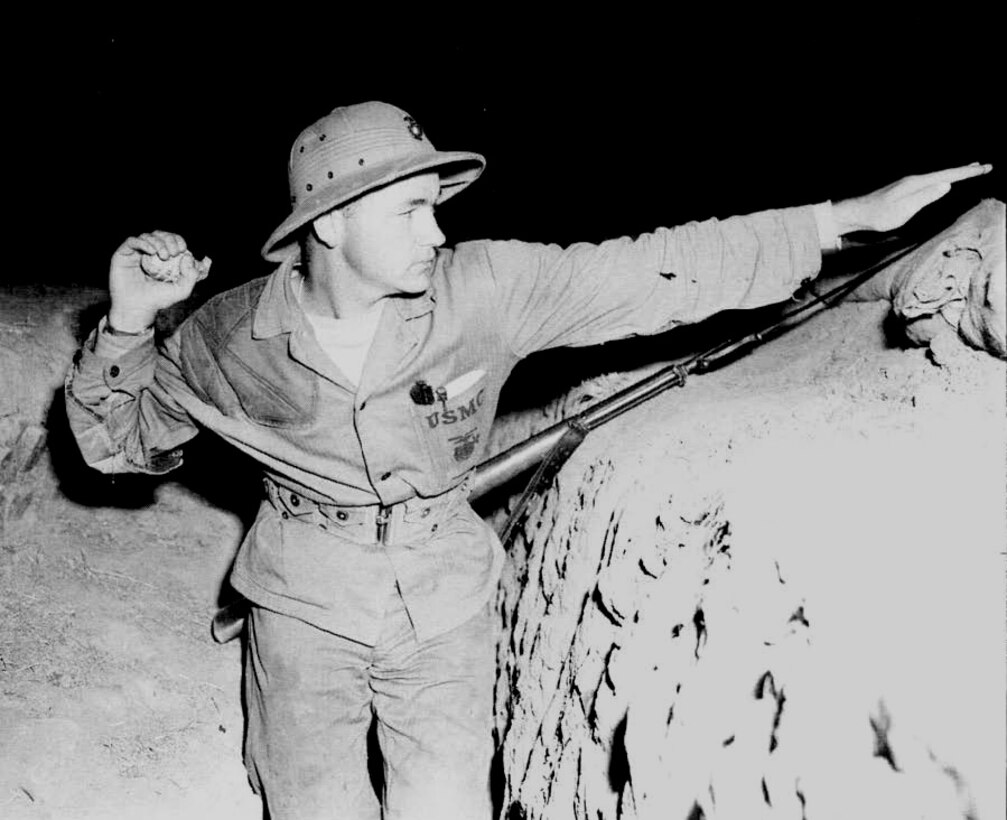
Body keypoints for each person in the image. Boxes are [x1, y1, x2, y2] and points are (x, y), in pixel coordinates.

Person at [64, 100, 991, 819]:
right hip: (302, 608)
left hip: (447, 606)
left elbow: (651, 269)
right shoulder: (233, 334)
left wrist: (836, 222)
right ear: (332, 223)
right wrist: (130, 324)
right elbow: (123, 444)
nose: (437, 232)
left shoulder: (486, 290)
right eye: (414, 209)